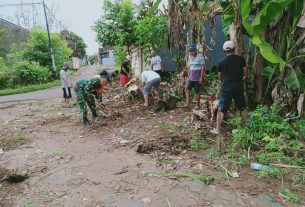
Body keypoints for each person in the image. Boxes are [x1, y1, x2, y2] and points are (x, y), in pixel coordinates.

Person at [211, 40, 249, 134]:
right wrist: (241, 79)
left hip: (226, 87)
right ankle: (248, 128)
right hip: (238, 86)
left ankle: (218, 129)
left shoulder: (221, 62)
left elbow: (220, 77)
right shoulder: (241, 59)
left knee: (222, 108)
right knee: (242, 107)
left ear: (224, 50)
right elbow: (245, 73)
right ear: (234, 48)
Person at [185, 43, 206, 109]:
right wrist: (188, 74)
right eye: (190, 51)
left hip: (197, 77)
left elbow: (202, 67)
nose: (191, 52)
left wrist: (201, 77)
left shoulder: (200, 56)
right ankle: (188, 103)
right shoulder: (190, 56)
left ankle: (198, 104)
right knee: (187, 88)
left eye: (192, 51)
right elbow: (189, 66)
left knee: (197, 91)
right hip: (191, 77)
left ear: (195, 50)